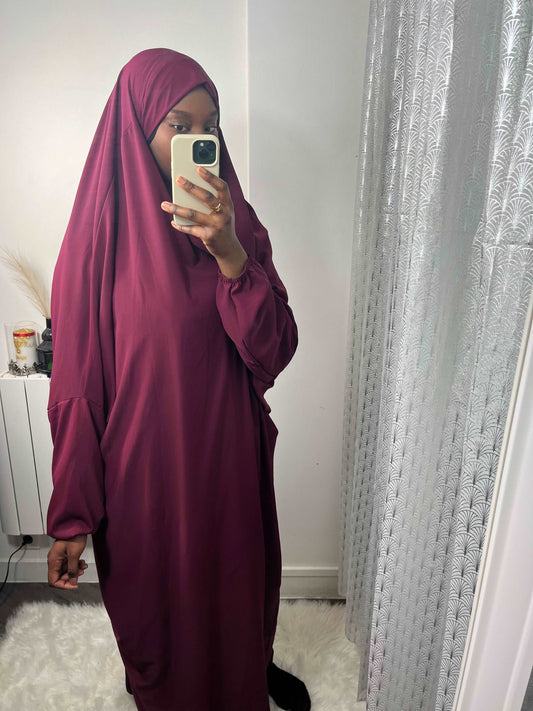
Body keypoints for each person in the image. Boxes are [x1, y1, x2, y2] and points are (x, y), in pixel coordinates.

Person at [45, 49, 310, 711]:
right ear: (136, 130)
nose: (199, 139)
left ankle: (247, 676)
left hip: (228, 459)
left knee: (237, 589)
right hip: (146, 475)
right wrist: (73, 515)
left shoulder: (238, 226)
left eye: (209, 126)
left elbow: (275, 350)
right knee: (159, 612)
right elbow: (77, 386)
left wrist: (230, 256)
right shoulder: (96, 244)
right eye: (178, 125)